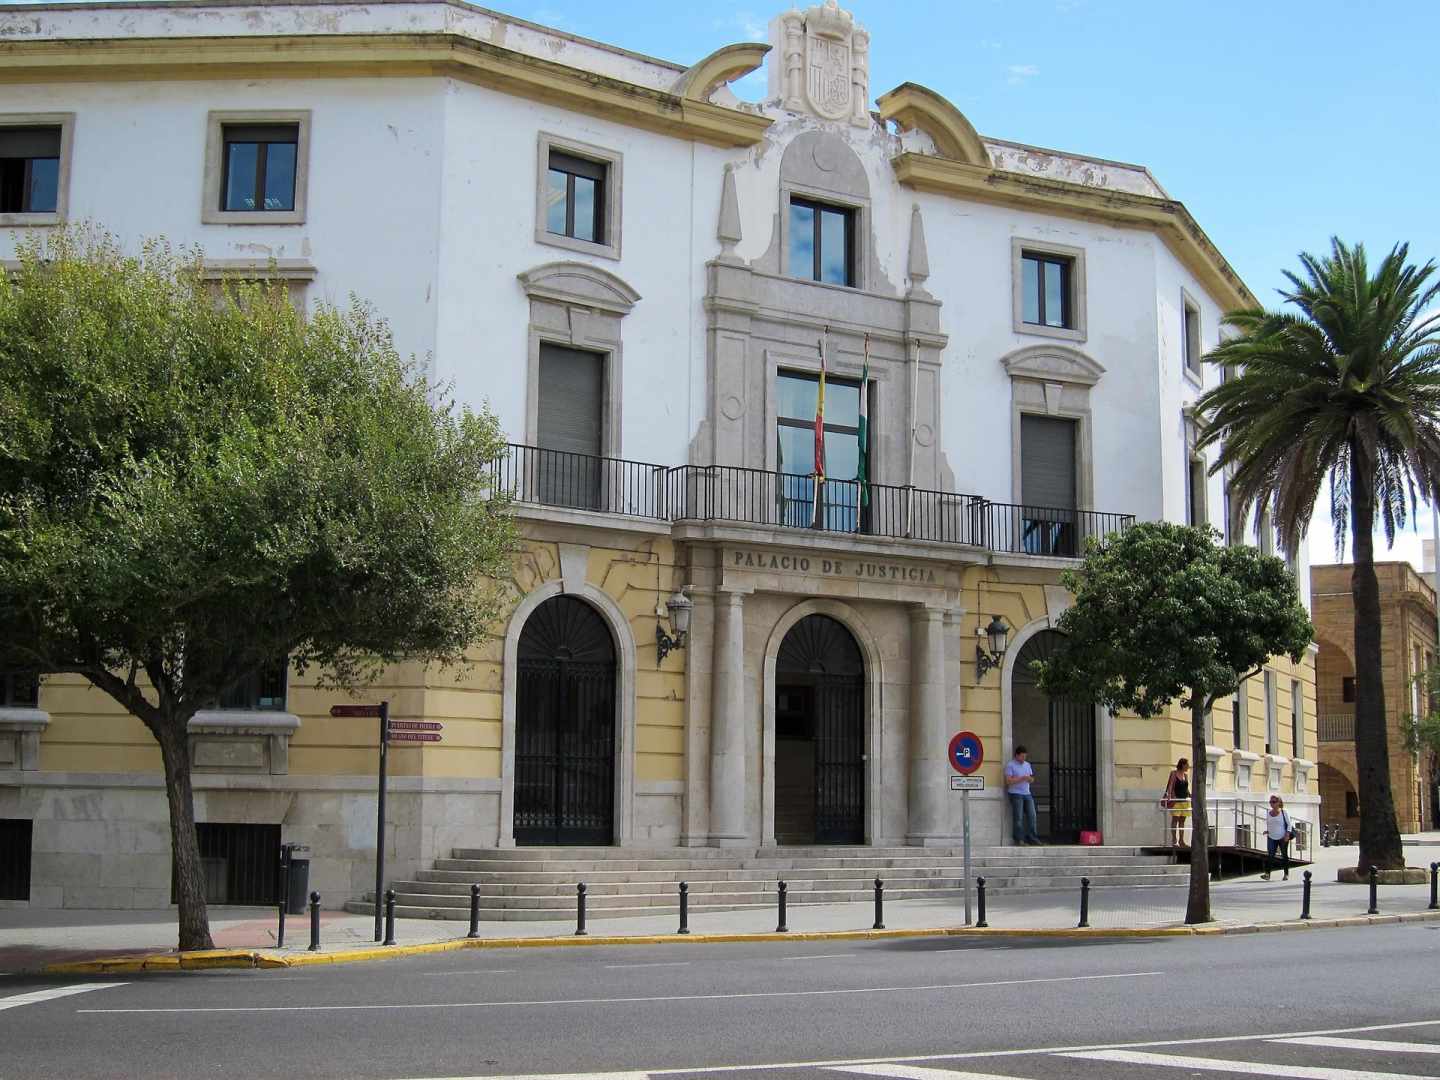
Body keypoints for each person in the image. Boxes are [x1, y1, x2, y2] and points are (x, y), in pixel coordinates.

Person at [1004, 745, 1041, 846]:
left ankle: (1032, 837)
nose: (1024, 759)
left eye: (1025, 756)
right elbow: (1008, 781)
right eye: (1022, 756)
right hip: (1015, 794)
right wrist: (1022, 778)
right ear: (1017, 755)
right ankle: (1019, 839)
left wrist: (1030, 779)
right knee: (1018, 817)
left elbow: (1032, 778)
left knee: (1032, 815)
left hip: (1027, 793)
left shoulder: (1027, 765)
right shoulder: (1010, 765)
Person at [1262, 795, 1294, 880]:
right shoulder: (1268, 813)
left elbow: (1289, 824)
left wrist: (1287, 834)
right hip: (1271, 837)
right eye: (1270, 802)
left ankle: (1286, 874)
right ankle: (1267, 874)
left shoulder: (1284, 812)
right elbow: (1270, 824)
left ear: (1279, 802)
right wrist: (1267, 831)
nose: (1271, 804)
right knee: (1270, 856)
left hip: (1282, 837)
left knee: (1284, 855)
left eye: (1273, 802)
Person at [1162, 758, 1192, 848]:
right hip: (1176, 801)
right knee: (1175, 819)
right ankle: (1174, 840)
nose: (1188, 766)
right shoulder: (1174, 774)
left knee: (1182, 820)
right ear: (1182, 765)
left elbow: (1186, 788)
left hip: (1184, 801)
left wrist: (1190, 795)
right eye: (1187, 765)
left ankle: (1181, 840)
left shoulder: (1186, 776)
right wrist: (1171, 796)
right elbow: (1170, 785)